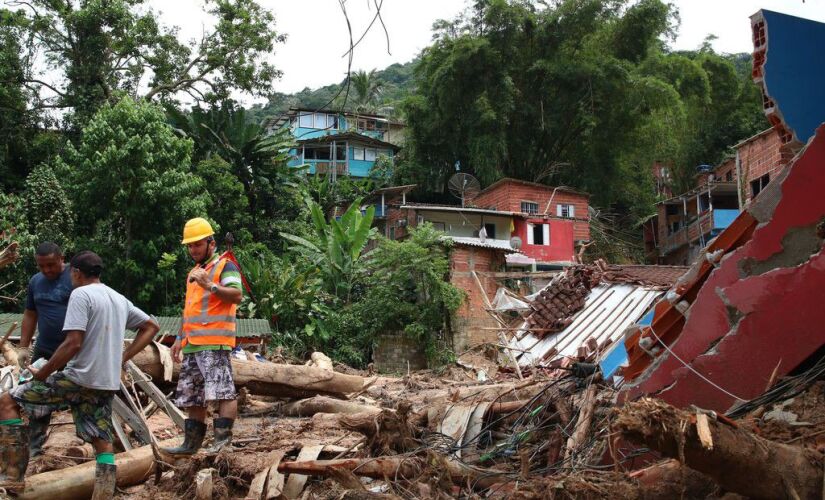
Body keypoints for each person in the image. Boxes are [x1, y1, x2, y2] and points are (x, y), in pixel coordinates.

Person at [0, 251, 160, 497]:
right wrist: (122, 358)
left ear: (75, 272)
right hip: (105, 381)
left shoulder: (80, 294)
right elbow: (151, 326)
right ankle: (104, 494)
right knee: (100, 437)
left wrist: (43, 372)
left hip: (77, 378)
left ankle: (12, 477)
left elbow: (72, 343)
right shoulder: (117, 298)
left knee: (7, 401)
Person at [162, 218, 242, 456]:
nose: (193, 250)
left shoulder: (225, 266)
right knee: (192, 397)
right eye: (190, 246)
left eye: (197, 244)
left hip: (215, 343)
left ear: (211, 243)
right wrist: (179, 338)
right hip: (192, 345)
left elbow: (237, 295)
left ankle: (222, 444)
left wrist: (211, 286)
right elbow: (189, 310)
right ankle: (191, 445)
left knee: (223, 392)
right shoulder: (194, 273)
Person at [17, 241, 73, 458]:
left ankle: (93, 445)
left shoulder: (76, 277)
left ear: (62, 258)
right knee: (37, 398)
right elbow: (30, 314)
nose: (47, 270)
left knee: (82, 397)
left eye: (51, 265)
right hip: (45, 350)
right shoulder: (36, 282)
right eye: (42, 266)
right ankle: (35, 450)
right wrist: (23, 346)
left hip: (73, 350)